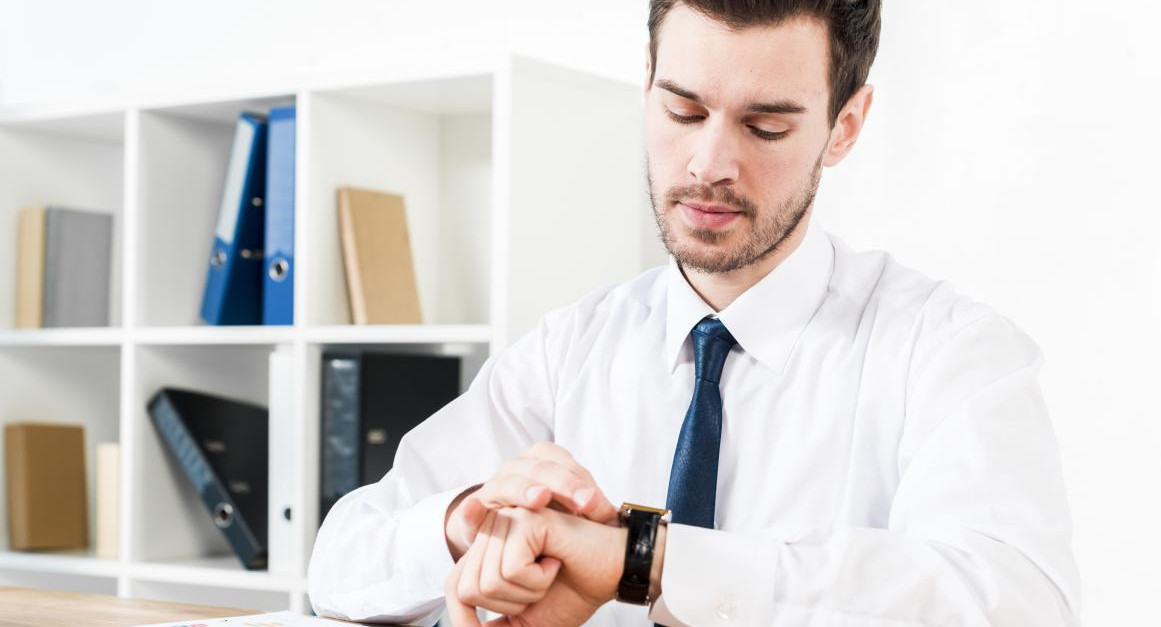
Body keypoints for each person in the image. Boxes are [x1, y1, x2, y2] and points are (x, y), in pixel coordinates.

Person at [308, 1, 1082, 625]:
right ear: (646, 81)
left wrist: (642, 561)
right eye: (682, 110)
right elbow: (338, 562)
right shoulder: (567, 349)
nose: (709, 164)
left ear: (844, 125)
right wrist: (471, 525)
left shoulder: (948, 351)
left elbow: (1020, 602)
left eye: (765, 126)